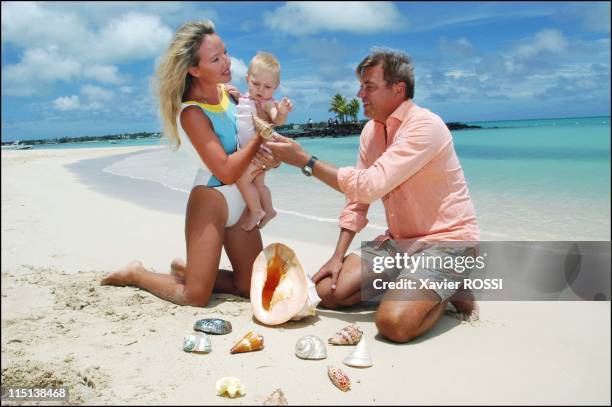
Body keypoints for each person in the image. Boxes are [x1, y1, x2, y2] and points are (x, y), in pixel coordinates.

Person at [265, 48, 480, 343]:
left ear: (398, 89)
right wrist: (337, 256)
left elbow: (369, 185)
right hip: (400, 242)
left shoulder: (425, 126)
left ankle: (451, 287)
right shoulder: (370, 131)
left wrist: (306, 161)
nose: (359, 94)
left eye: (369, 86)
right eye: (360, 85)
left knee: (393, 324)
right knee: (330, 291)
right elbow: (358, 199)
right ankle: (411, 281)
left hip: (448, 242)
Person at [100, 20, 279, 306]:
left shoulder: (231, 95)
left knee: (249, 286)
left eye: (226, 52)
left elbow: (248, 149)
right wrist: (263, 135)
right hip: (212, 198)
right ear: (194, 70)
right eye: (216, 58)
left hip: (242, 199)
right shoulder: (192, 113)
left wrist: (268, 159)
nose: (227, 62)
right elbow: (226, 169)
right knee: (195, 296)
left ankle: (190, 270)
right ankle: (137, 273)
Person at [235, 52, 293, 231]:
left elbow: (277, 120)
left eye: (267, 86)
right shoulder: (245, 98)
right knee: (259, 184)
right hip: (253, 152)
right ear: (247, 79)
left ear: (275, 87)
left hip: (259, 152)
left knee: (243, 181)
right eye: (255, 84)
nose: (260, 90)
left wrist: (281, 112)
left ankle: (256, 211)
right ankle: (269, 210)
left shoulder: (267, 103)